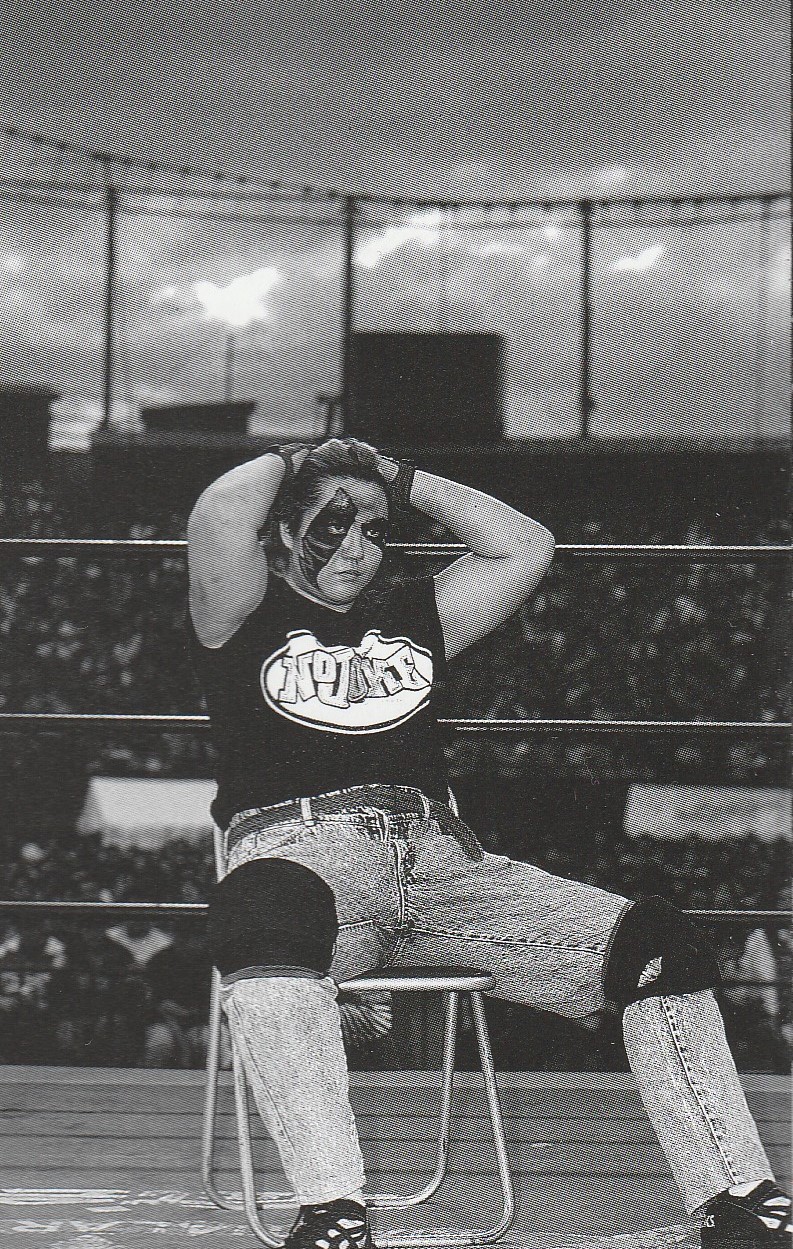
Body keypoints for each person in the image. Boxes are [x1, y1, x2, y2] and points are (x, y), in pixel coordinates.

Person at [187, 438, 790, 1249]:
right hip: (301, 855)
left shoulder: (412, 615)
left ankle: (736, 1196)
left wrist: (397, 478)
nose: (357, 548)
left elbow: (524, 544)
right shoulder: (241, 611)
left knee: (654, 943)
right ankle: (333, 1211)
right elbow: (222, 510)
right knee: (261, 912)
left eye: (373, 530)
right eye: (333, 526)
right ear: (286, 530)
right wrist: (296, 457)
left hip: (444, 864)